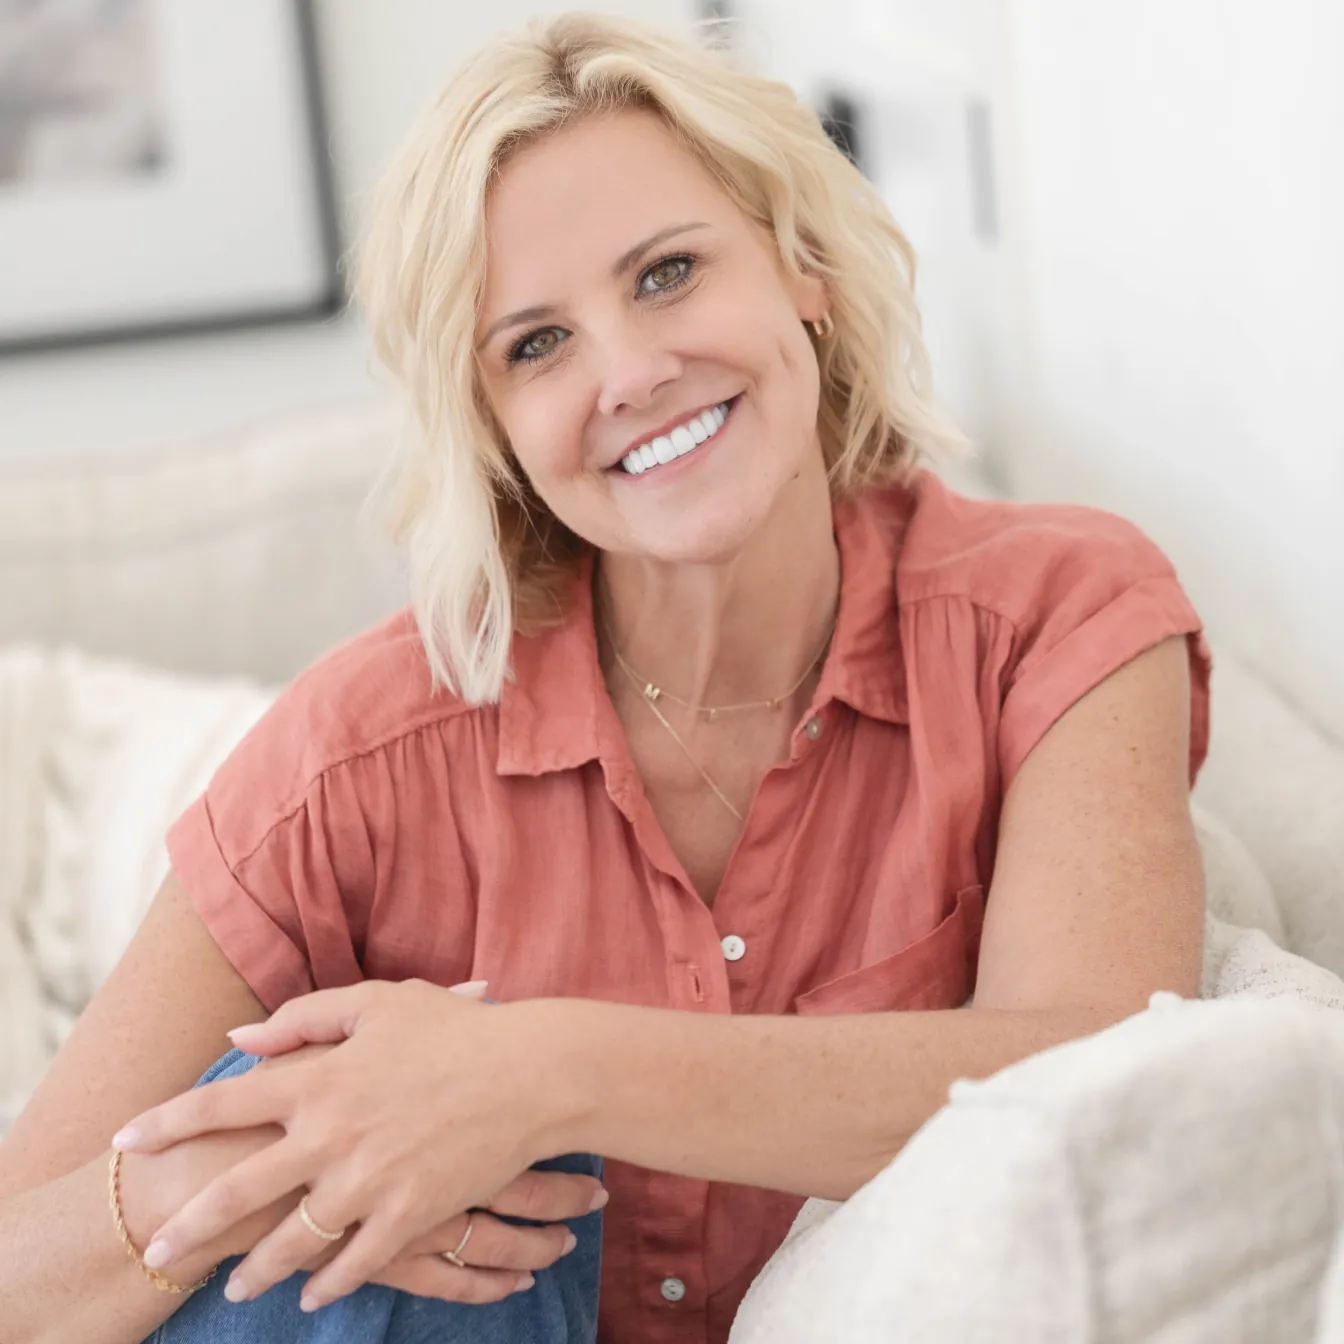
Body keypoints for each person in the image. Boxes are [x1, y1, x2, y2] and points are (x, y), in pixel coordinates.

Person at [0, 12, 1212, 1344]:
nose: (632, 374)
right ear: (497, 436)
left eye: (668, 273)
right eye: (535, 346)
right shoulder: (358, 758)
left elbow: (1111, 1084)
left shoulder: (1057, 620)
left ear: (800, 265)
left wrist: (540, 1071)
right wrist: (230, 1180)